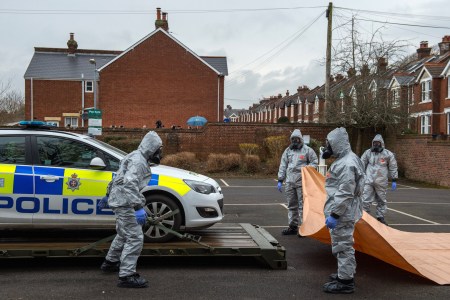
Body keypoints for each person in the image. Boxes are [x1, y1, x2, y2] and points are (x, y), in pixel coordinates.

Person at [99, 131, 163, 288]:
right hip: (125, 202)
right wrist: (138, 206)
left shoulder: (134, 155)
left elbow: (118, 177)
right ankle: (127, 276)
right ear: (151, 148)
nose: (159, 154)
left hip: (119, 199)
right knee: (135, 238)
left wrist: (108, 194)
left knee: (123, 233)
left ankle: (110, 262)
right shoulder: (138, 162)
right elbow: (129, 183)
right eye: (158, 150)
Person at [322, 127, 366, 294]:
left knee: (343, 245)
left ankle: (345, 282)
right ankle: (344, 273)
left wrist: (334, 214)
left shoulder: (347, 164)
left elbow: (345, 192)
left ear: (337, 144)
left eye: (329, 144)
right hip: (345, 211)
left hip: (343, 213)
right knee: (343, 244)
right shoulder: (347, 159)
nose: (327, 147)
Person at [277, 129, 318, 235]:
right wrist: (280, 179)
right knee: (291, 205)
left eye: (297, 139)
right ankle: (293, 226)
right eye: (293, 139)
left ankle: (305, 228)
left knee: (302, 206)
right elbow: (283, 165)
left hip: (301, 182)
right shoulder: (288, 151)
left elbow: (314, 162)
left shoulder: (307, 150)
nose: (295, 141)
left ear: (300, 139)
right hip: (290, 182)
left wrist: (306, 168)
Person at [361, 134, 398, 225]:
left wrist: (394, 179)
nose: (376, 145)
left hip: (381, 181)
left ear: (382, 144)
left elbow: (393, 166)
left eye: (378, 143)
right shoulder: (368, 153)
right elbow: (361, 163)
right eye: (374, 143)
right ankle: (364, 216)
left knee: (381, 200)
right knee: (365, 199)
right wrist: (360, 176)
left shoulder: (387, 154)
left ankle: (380, 217)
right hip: (368, 180)